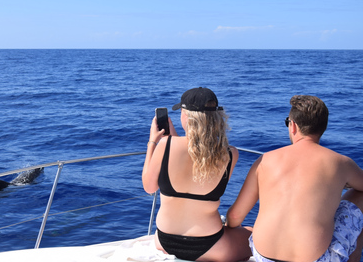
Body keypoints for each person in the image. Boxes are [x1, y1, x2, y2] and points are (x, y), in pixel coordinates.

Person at [227, 95, 363, 262]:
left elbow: (234, 217)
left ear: (292, 126)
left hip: (263, 257)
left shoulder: (264, 161)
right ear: (323, 127)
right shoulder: (341, 163)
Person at [142, 87, 252, 261]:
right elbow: (197, 162)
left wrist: (153, 142)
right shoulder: (230, 154)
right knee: (254, 234)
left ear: (185, 115)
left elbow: (149, 187)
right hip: (210, 245)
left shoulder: (165, 145)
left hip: (164, 241)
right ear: (215, 118)